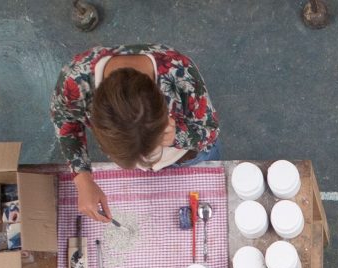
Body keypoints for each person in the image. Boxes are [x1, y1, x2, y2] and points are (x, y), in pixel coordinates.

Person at [50, 43, 220, 224]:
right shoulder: (74, 81)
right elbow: (66, 120)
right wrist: (82, 177)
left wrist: (178, 134)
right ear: (94, 116)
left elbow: (210, 131)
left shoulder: (181, 72)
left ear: (166, 114)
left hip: (187, 156)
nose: (146, 165)